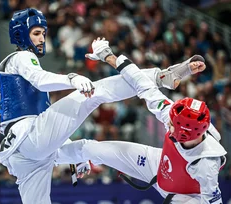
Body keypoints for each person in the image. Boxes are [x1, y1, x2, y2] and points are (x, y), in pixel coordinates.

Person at [0, 8, 209, 204]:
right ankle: (160, 77)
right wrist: (72, 78)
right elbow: (40, 79)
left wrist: (74, 156)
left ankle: (161, 77)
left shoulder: (20, 83)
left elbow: (42, 124)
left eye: (43, 33)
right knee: (93, 93)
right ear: (21, 35)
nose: (42, 39)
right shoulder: (20, 57)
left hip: (23, 155)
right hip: (29, 139)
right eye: (36, 33)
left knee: (84, 148)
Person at [55, 38, 227, 203]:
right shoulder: (177, 116)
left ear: (185, 132)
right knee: (91, 148)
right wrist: (107, 55)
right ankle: (45, 156)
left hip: (185, 196)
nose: (168, 122)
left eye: (172, 124)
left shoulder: (206, 164)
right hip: (158, 164)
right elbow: (143, 85)